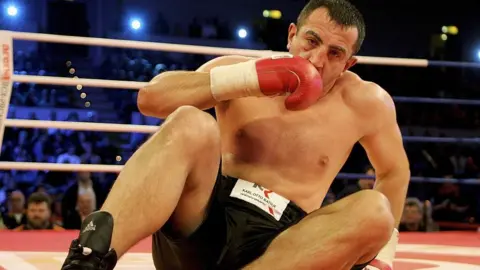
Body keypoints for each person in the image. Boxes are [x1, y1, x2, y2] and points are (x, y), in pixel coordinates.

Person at [61, 0, 410, 269]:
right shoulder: (239, 71)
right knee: (190, 122)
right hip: (204, 222)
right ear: (292, 35)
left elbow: (394, 172)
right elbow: (151, 99)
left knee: (375, 210)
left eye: (335, 53)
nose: (317, 60)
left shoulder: (367, 102)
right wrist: (248, 81)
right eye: (311, 41)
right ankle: (89, 259)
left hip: (285, 246)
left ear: (348, 63)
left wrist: (381, 256)